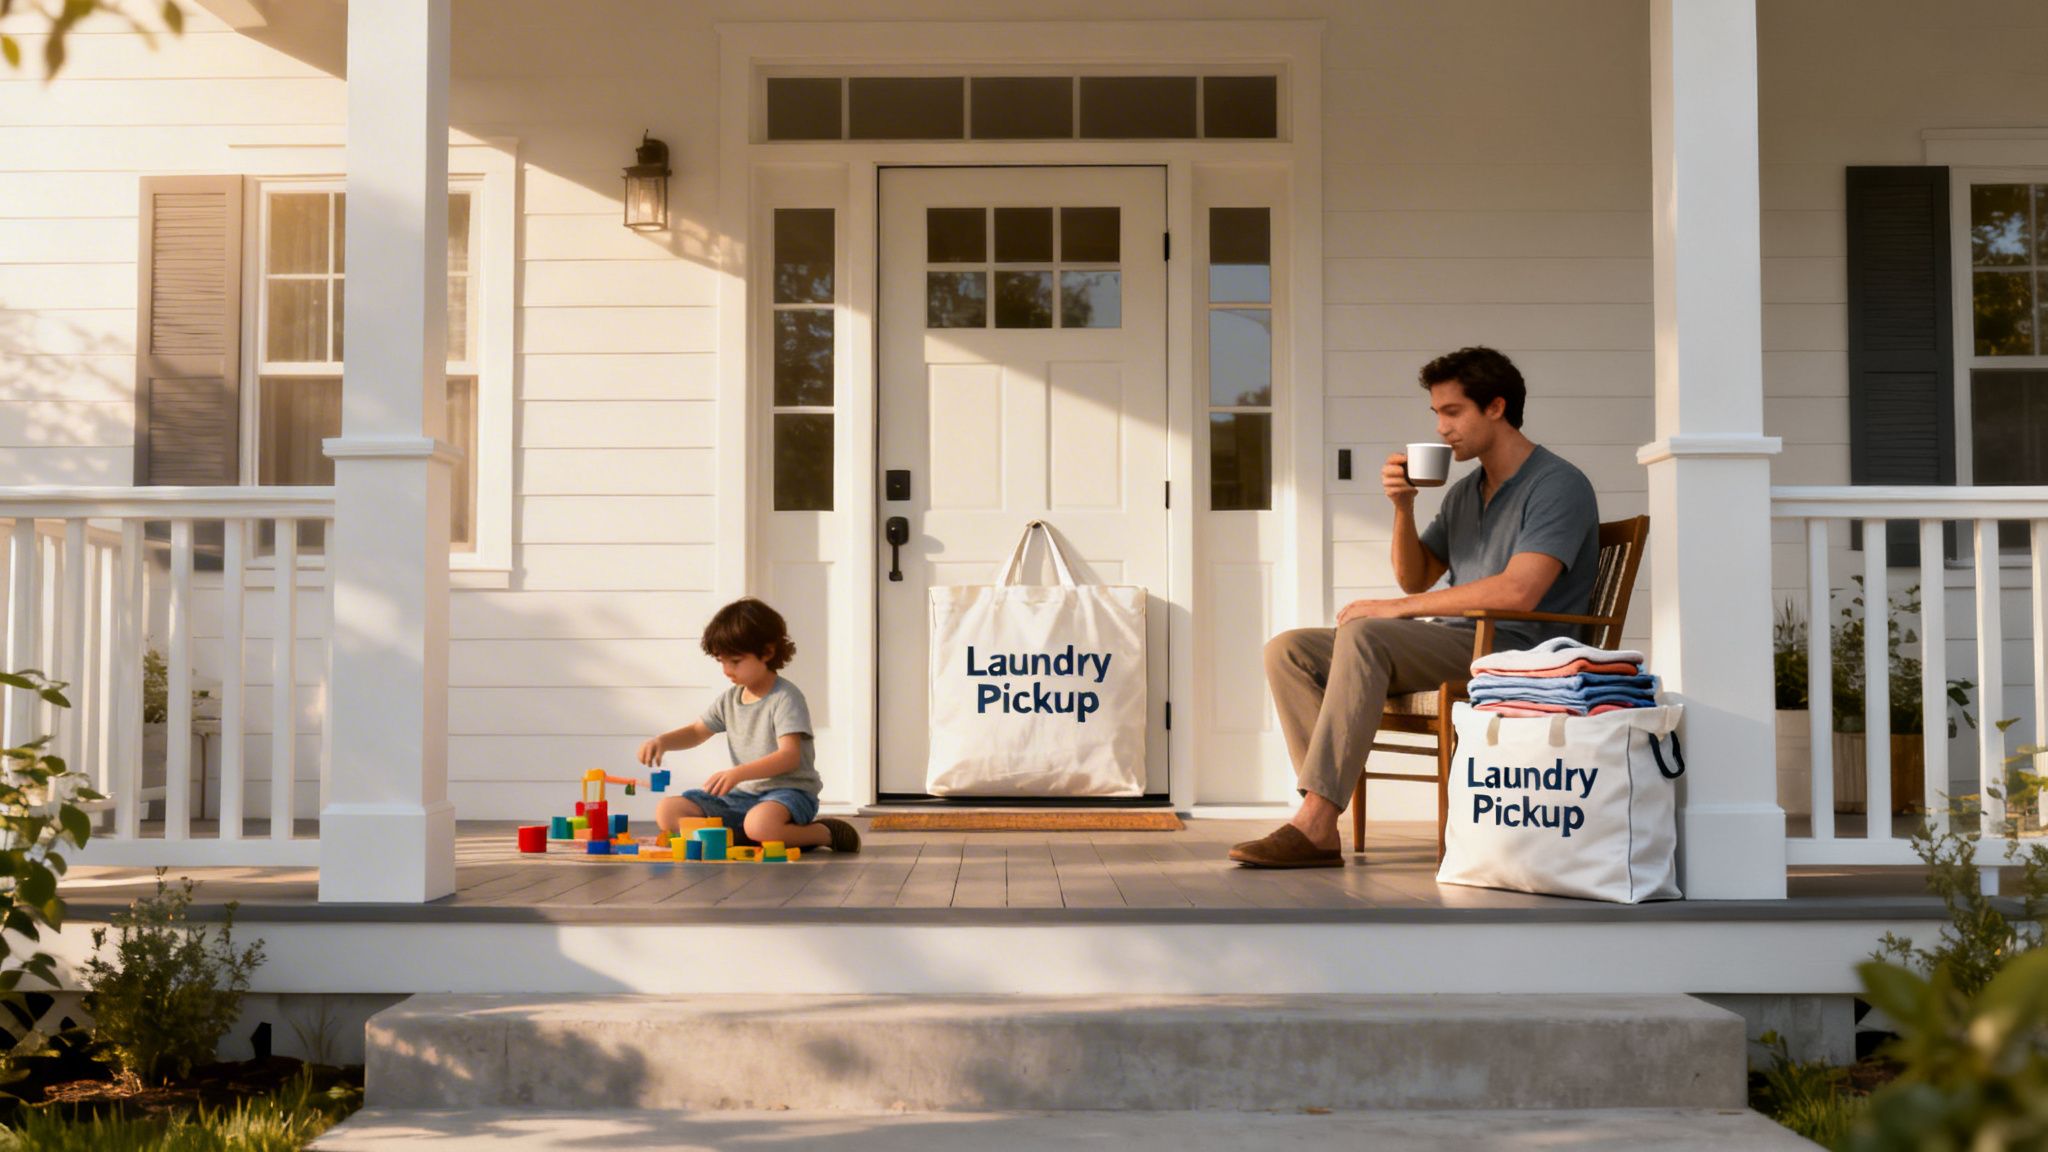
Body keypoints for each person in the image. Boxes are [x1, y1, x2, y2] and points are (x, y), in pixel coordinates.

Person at [1230, 346, 1599, 869]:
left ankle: (1314, 823)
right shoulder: (1466, 492)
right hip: (1455, 641)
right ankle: (1319, 810)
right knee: (1288, 650)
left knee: (1367, 634)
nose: (1443, 428)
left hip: (1515, 647)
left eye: (1453, 412)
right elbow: (1417, 573)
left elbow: (1520, 592)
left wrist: (1398, 609)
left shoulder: (1558, 484)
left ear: (1496, 407)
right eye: (1437, 415)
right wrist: (1403, 508)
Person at [639, 597, 861, 854]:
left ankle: (825, 833)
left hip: (787, 795)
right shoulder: (730, 699)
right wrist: (662, 741)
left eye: (734, 661)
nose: (726, 670)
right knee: (668, 811)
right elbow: (697, 732)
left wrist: (738, 773)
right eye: (721, 661)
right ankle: (743, 837)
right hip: (741, 798)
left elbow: (789, 757)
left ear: (766, 653)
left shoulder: (785, 698)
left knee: (761, 824)